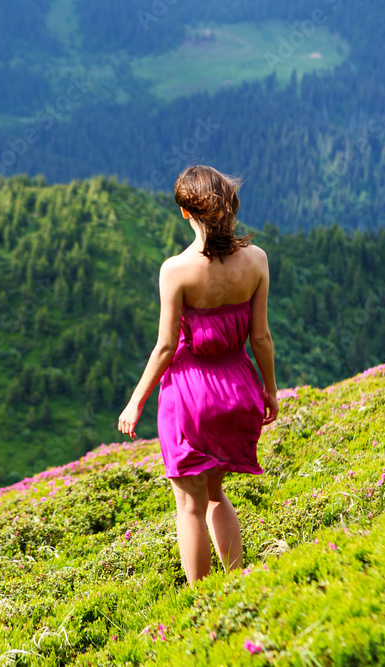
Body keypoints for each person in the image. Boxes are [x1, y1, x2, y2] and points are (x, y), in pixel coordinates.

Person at [116, 164, 278, 585]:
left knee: (188, 506)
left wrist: (136, 401)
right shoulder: (257, 261)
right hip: (239, 392)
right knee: (216, 494)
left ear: (187, 213)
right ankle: (237, 580)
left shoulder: (176, 270)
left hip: (192, 399)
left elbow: (166, 346)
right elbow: (260, 339)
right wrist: (269, 392)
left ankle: (203, 598)